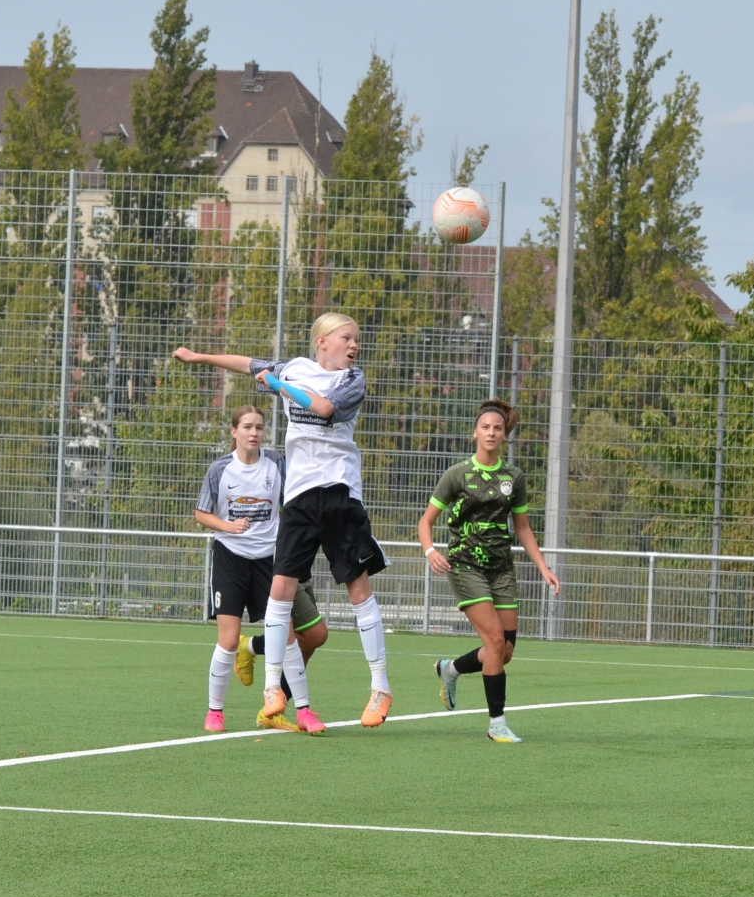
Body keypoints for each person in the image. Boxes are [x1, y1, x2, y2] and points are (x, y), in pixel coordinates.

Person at [173, 311, 394, 729]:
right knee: (281, 589)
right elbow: (246, 363)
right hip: (299, 499)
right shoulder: (294, 367)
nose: (354, 345)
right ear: (322, 341)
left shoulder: (351, 379)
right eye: (346, 338)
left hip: (339, 493)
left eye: (356, 339)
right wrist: (199, 357)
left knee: (358, 589)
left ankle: (380, 687)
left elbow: (324, 409)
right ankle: (273, 687)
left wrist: (279, 387)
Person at [418, 399, 561, 743]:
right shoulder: (456, 475)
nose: (491, 433)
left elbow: (522, 527)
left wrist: (543, 567)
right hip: (465, 567)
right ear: (475, 433)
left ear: (504, 435)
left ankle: (450, 669)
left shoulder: (514, 477)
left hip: (501, 569)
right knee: (495, 641)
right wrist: (430, 551)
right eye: (485, 427)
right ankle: (497, 723)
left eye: (497, 428)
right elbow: (425, 522)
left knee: (504, 651)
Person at [194, 403, 327, 735]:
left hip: (270, 561)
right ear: (234, 432)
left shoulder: (277, 463)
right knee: (228, 640)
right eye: (247, 427)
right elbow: (201, 514)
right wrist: (228, 526)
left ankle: (304, 710)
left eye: (259, 427)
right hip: (230, 559)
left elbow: (293, 501)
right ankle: (215, 712)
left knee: (287, 637)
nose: (254, 433)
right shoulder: (220, 469)